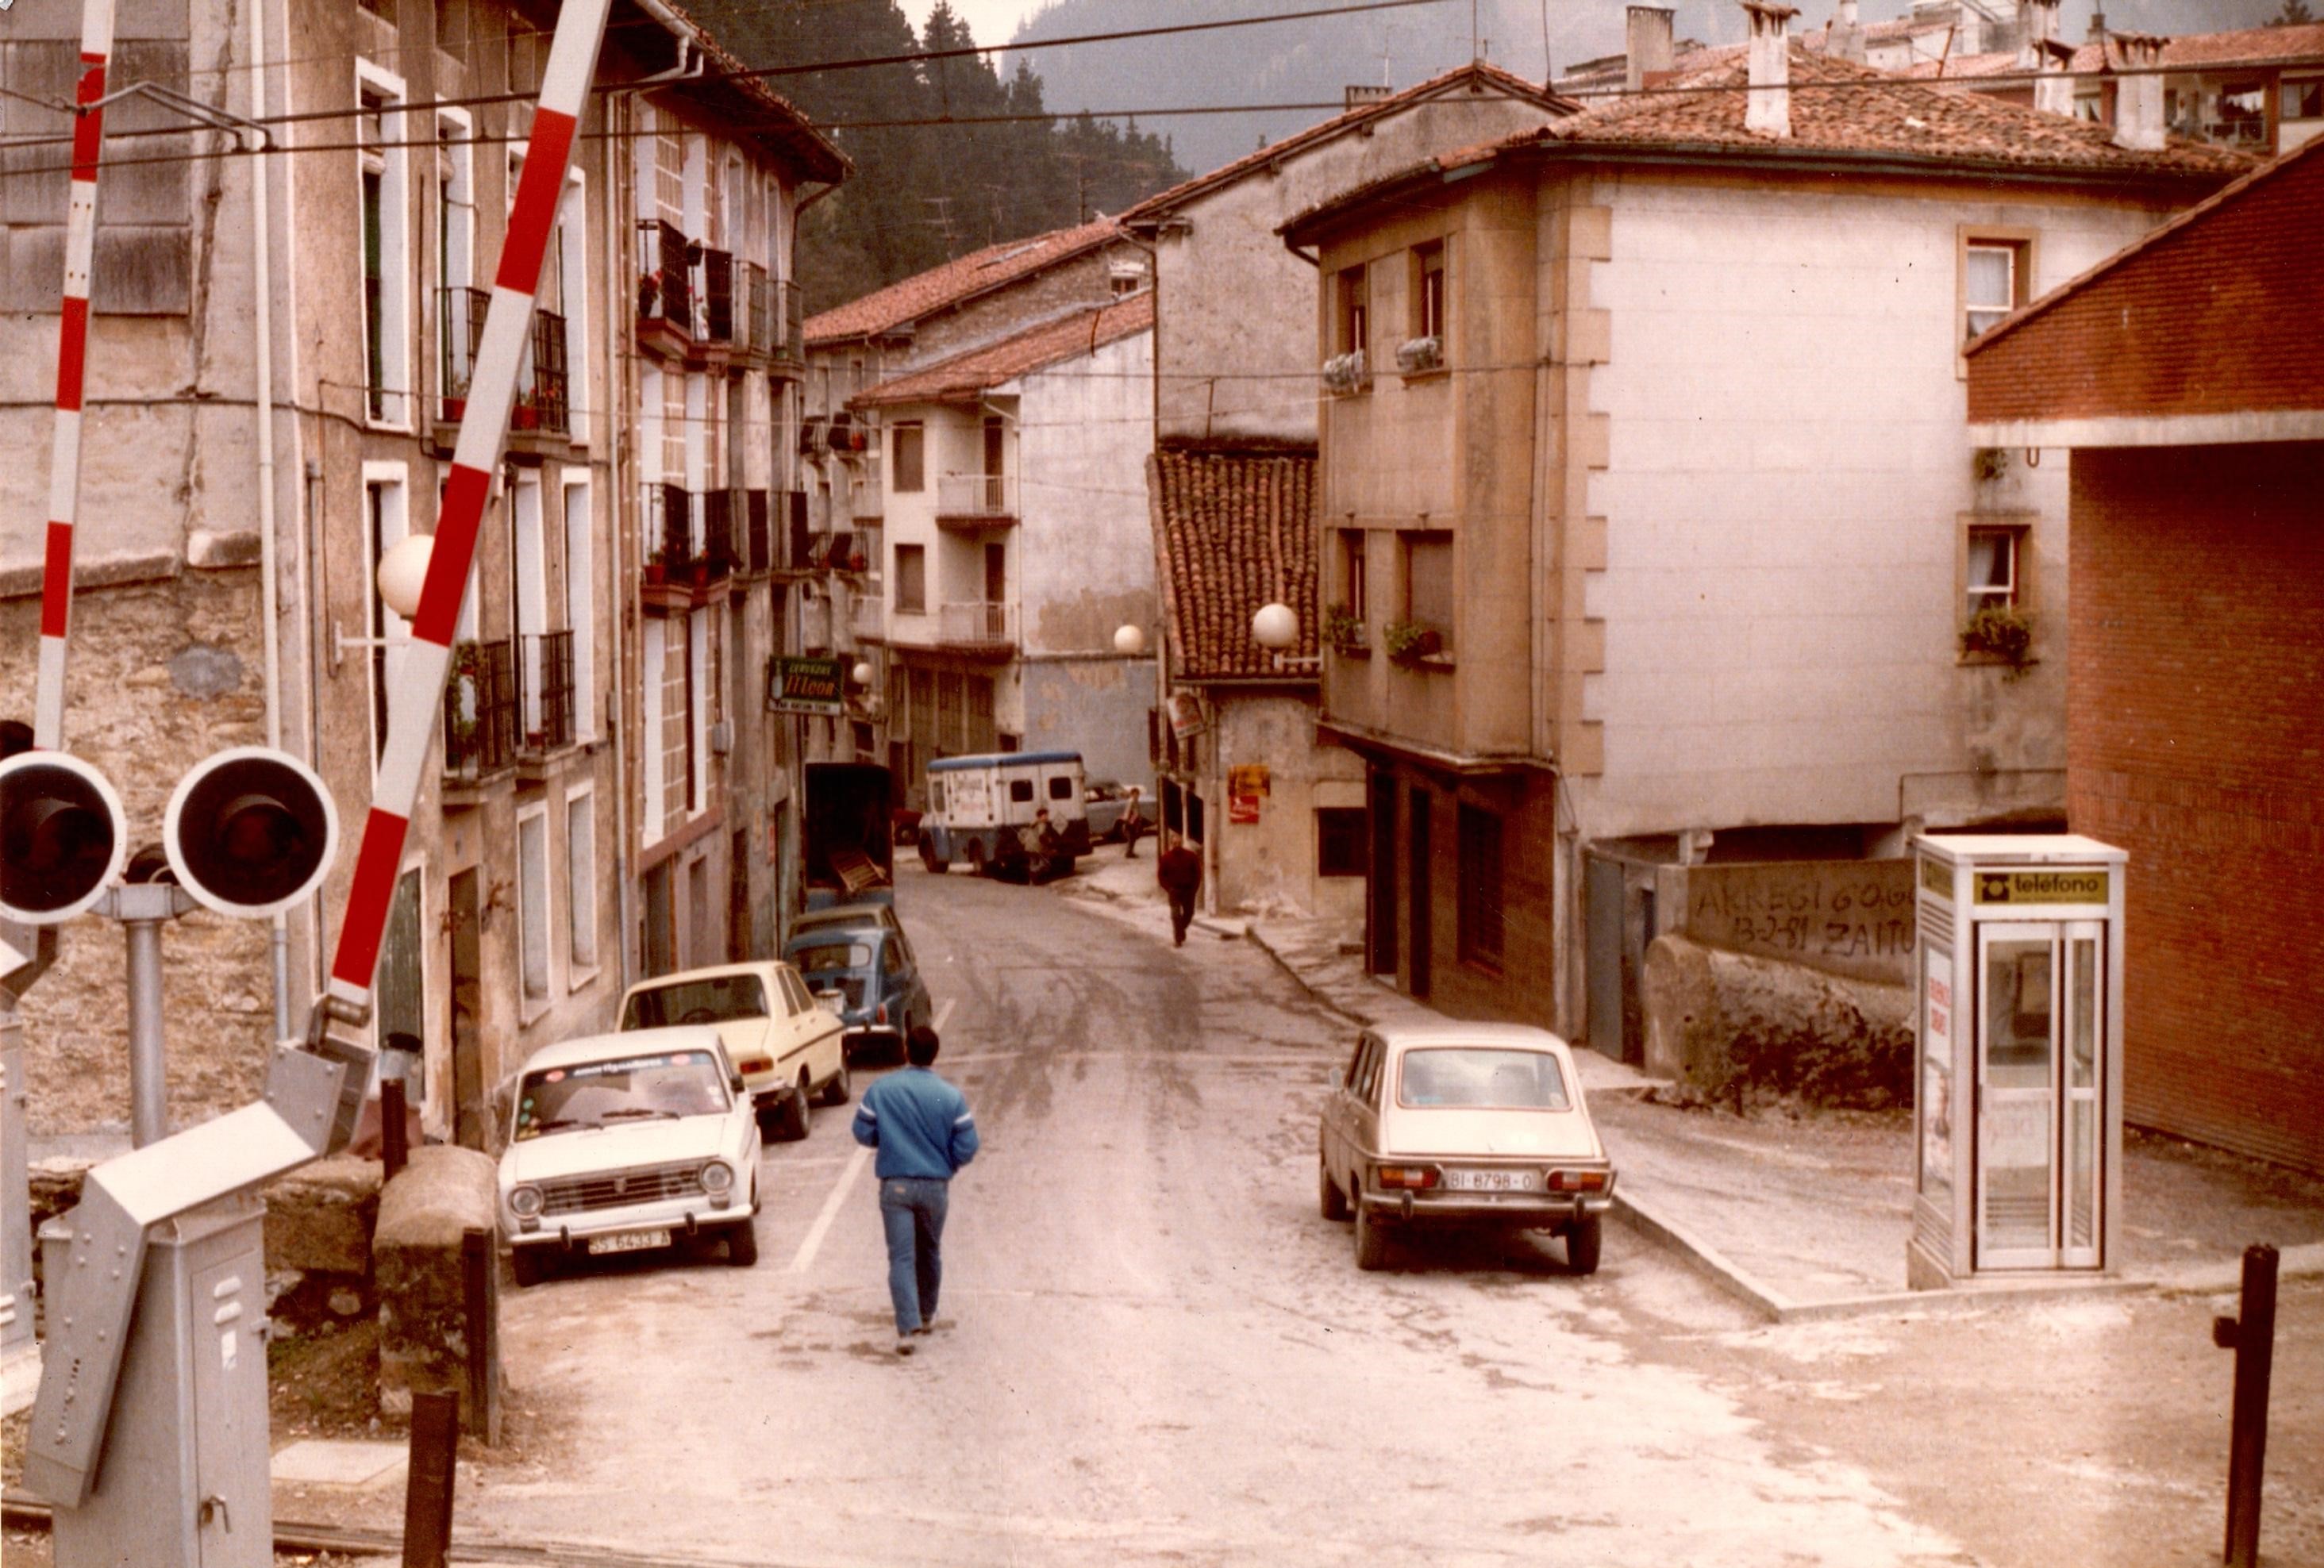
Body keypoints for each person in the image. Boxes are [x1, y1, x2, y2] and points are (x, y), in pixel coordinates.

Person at [852, 1024, 978, 1355]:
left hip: (896, 1187)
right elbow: (968, 1144)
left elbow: (862, 1132)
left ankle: (906, 1329)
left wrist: (889, 1142)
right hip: (935, 1187)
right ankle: (927, 1314)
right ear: (934, 1054)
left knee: (902, 1257)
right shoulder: (946, 1095)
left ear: (906, 1051)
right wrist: (948, 1164)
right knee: (930, 1251)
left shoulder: (883, 1089)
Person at [1156, 832, 1202, 948]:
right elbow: (1161, 876)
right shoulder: (1166, 858)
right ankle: (1178, 939)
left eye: (1179, 843)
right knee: (1175, 915)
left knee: (1189, 914)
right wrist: (1168, 888)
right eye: (1174, 843)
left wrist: (1194, 888)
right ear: (1171, 844)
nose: (1177, 845)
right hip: (1174, 891)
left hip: (1188, 890)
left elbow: (1197, 873)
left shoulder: (1191, 856)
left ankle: (1181, 930)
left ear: (1182, 844)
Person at [1120, 786, 1146, 859]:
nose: (1137, 796)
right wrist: (1127, 821)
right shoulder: (1131, 801)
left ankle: (1130, 852)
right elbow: (1128, 812)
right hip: (1130, 821)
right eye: (1135, 794)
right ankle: (1129, 852)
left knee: (1133, 837)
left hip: (1134, 821)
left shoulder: (1135, 801)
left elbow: (1137, 812)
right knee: (1131, 837)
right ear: (1132, 794)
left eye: (1138, 794)